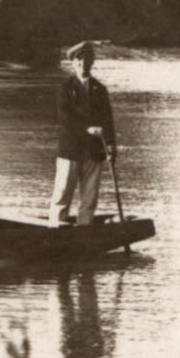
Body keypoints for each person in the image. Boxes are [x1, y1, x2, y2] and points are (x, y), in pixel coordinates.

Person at [47, 42, 116, 225]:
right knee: (62, 193)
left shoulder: (100, 89)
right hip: (70, 150)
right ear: (73, 62)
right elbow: (65, 120)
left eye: (87, 59)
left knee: (90, 197)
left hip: (94, 151)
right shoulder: (65, 88)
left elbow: (108, 121)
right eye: (79, 59)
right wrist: (87, 130)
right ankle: (56, 228)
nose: (83, 63)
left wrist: (111, 146)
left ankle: (85, 230)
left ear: (92, 61)